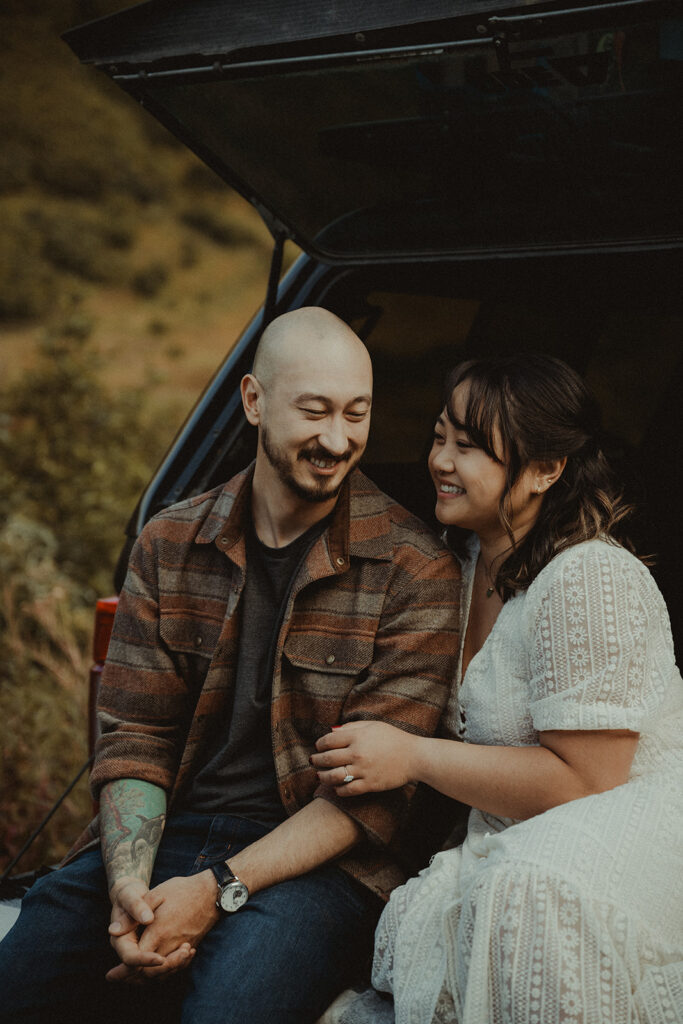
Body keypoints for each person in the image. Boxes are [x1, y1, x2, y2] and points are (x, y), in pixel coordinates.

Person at [0, 306, 461, 1024]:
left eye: (356, 414)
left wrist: (212, 891)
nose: (336, 439)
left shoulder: (414, 568)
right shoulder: (170, 541)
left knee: (229, 1008)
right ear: (253, 401)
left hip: (321, 865)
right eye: (313, 412)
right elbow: (136, 737)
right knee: (21, 976)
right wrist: (129, 888)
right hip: (170, 834)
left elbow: (367, 801)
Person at [313, 354, 683, 1024]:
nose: (441, 462)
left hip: (618, 835)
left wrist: (413, 757)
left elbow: (590, 779)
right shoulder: (454, 566)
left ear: (545, 470)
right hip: (508, 832)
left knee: (523, 896)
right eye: (438, 437)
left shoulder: (589, 577)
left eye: (471, 447)